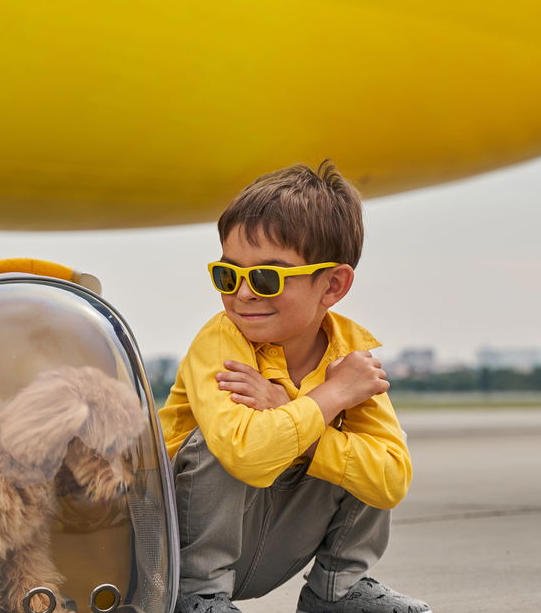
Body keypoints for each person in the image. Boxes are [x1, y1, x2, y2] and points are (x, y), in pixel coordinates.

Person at [158, 161, 430, 613]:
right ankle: (196, 598)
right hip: (178, 547)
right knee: (217, 444)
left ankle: (337, 592)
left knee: (369, 451)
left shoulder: (351, 358)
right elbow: (244, 457)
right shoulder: (221, 340)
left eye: (267, 277)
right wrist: (327, 399)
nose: (243, 294)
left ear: (333, 285)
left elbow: (391, 481)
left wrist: (301, 415)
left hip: (276, 541)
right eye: (228, 275)